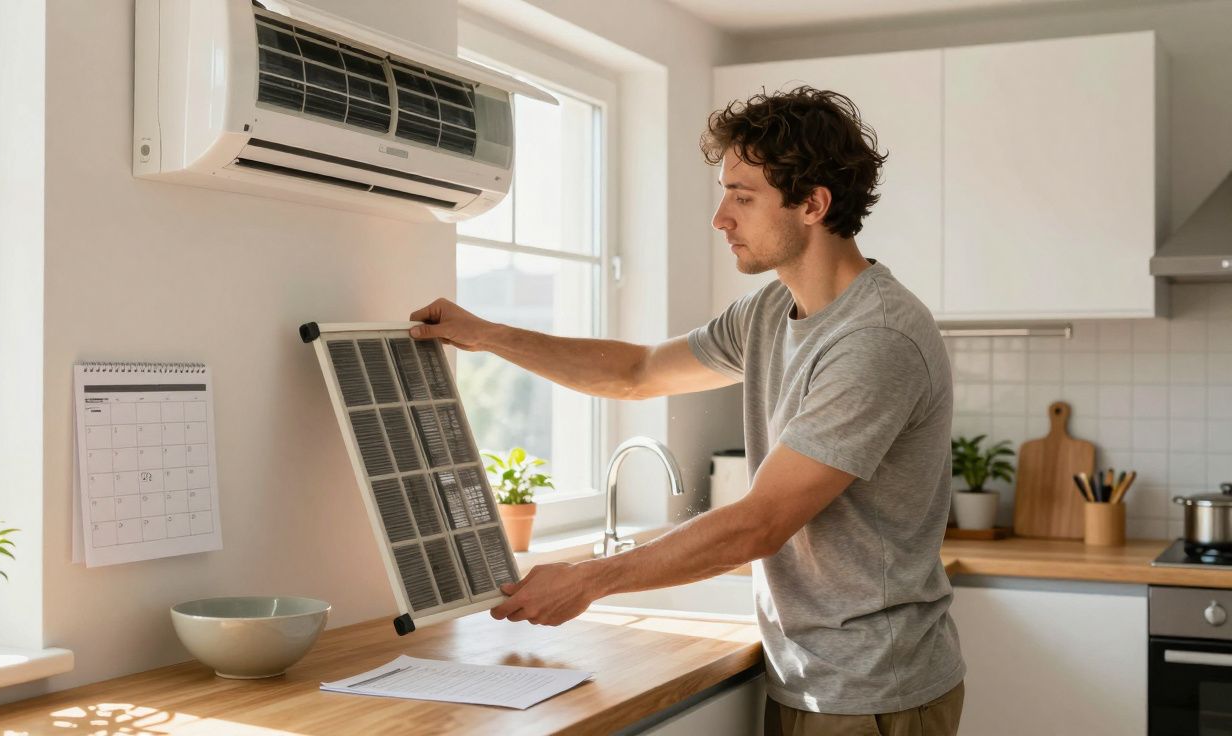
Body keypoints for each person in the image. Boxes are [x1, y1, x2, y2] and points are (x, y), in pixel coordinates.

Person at [409, 86, 964, 735]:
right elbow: (638, 372)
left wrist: (588, 580)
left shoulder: (876, 340)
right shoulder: (767, 312)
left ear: (813, 204)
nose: (720, 217)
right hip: (812, 676)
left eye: (743, 196)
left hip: (874, 690)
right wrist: (490, 336)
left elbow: (759, 524)